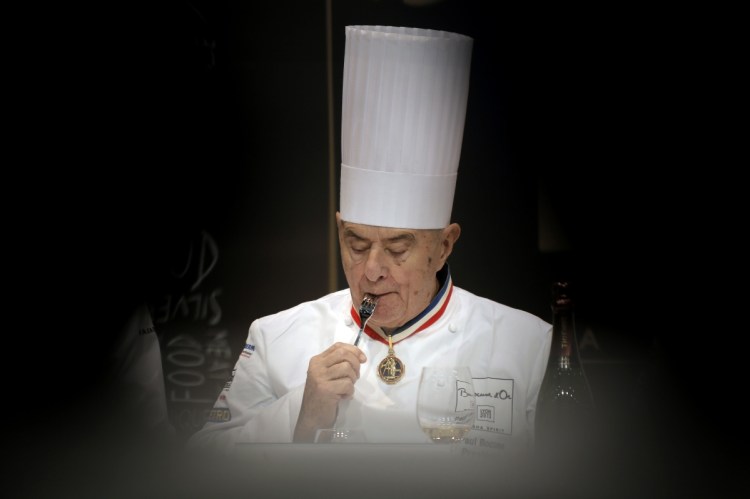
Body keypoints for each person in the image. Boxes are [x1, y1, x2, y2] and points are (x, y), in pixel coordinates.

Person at [188, 26, 552, 458]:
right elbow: (200, 462)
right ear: (339, 228)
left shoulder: (527, 345)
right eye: (356, 244)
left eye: (398, 249)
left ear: (445, 246)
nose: (372, 270)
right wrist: (298, 416)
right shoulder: (275, 337)